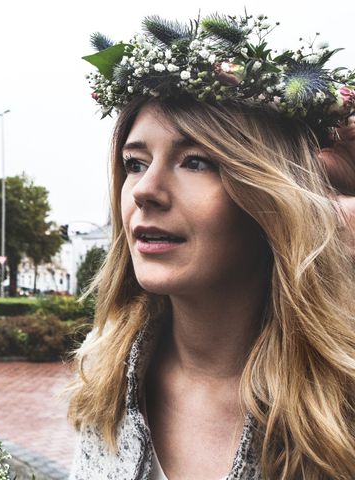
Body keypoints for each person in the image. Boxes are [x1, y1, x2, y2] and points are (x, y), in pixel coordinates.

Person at [67, 13, 355, 480]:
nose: (145, 189)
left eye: (196, 161)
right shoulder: (105, 382)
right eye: (135, 163)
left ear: (273, 192)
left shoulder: (339, 405)